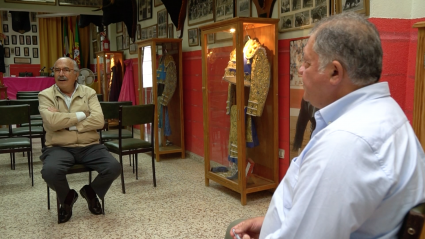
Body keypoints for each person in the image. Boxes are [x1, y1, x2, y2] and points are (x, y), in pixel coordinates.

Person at [227, 12, 425, 239]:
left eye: (307, 63)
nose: (300, 70)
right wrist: (272, 223)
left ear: (334, 72)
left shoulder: (346, 143)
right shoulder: (387, 111)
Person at [39, 57, 121, 223]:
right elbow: (52, 122)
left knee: (113, 167)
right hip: (58, 147)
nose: (61, 74)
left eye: (66, 70)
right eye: (57, 70)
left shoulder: (88, 93)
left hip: (89, 145)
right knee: (50, 172)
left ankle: (90, 192)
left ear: (76, 74)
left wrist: (67, 124)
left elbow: (99, 121)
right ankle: (67, 198)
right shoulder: (45, 95)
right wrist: (83, 115)